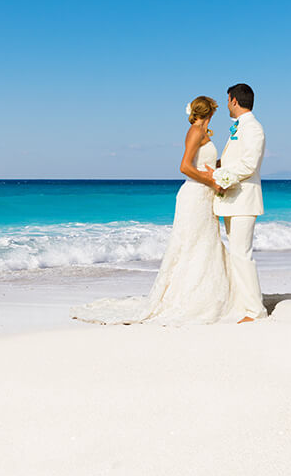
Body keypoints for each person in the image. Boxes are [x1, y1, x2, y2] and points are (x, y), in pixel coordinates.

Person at [71, 95, 232, 325]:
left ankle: (208, 295)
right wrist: (211, 182)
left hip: (205, 197)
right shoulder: (196, 132)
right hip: (194, 196)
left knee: (205, 243)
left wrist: (220, 171)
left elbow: (201, 164)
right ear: (211, 112)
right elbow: (184, 166)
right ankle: (189, 298)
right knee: (190, 246)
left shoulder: (203, 133)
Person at [211, 83, 269, 323]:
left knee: (242, 254)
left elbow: (249, 164)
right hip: (233, 201)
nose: (226, 104)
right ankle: (244, 302)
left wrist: (223, 178)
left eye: (227, 100)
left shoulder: (254, 128)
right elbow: (235, 159)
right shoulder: (239, 128)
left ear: (234, 100)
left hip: (244, 200)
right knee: (236, 253)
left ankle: (256, 311)